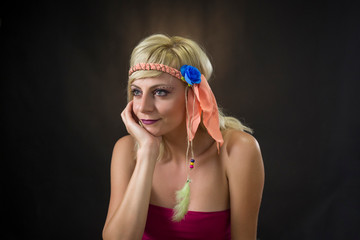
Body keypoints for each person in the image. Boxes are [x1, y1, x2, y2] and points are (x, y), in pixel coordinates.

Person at [102, 34, 265, 240]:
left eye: (160, 92)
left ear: (195, 94)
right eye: (136, 92)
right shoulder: (128, 150)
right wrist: (147, 153)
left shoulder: (237, 150)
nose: (143, 107)